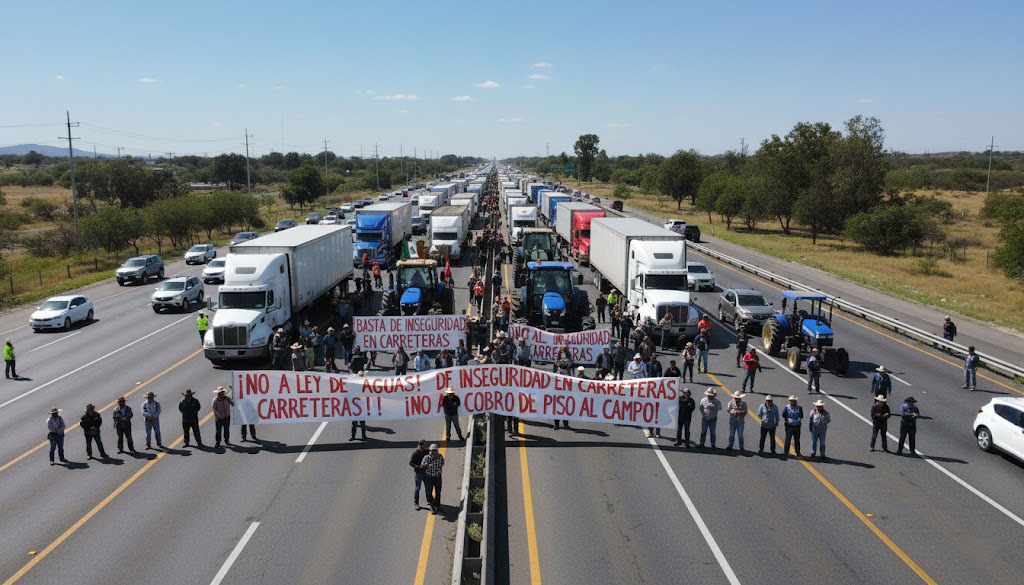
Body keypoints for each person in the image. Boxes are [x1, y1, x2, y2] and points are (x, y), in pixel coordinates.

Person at [420, 444, 445, 514]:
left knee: (438, 492)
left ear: (437, 451)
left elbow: (442, 463)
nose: (432, 452)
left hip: (437, 477)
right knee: (429, 493)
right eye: (430, 451)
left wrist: (438, 469)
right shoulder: (426, 458)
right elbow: (422, 465)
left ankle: (437, 505)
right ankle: (432, 506)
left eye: (433, 451)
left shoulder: (440, 457)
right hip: (429, 478)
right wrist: (425, 465)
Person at [410, 440, 429, 509]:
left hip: (426, 472)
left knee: (428, 486)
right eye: (420, 445)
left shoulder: (426, 451)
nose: (421, 446)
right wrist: (418, 467)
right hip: (418, 473)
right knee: (417, 488)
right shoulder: (415, 453)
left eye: (423, 445)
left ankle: (429, 500)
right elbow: (411, 463)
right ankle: (416, 503)